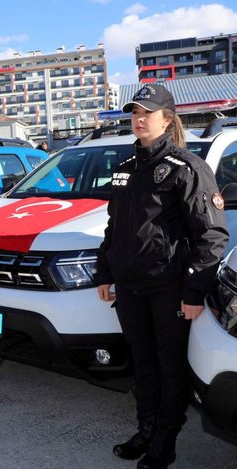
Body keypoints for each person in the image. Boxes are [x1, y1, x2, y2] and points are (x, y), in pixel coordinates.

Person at [95, 84, 228, 469]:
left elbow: (211, 235)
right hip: (131, 288)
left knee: (170, 366)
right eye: (134, 112)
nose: (138, 119)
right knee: (143, 362)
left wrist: (193, 293)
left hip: (168, 289)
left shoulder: (187, 168)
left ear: (167, 119)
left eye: (147, 113)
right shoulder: (124, 170)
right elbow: (113, 229)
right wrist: (105, 272)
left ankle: (164, 442)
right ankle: (147, 429)